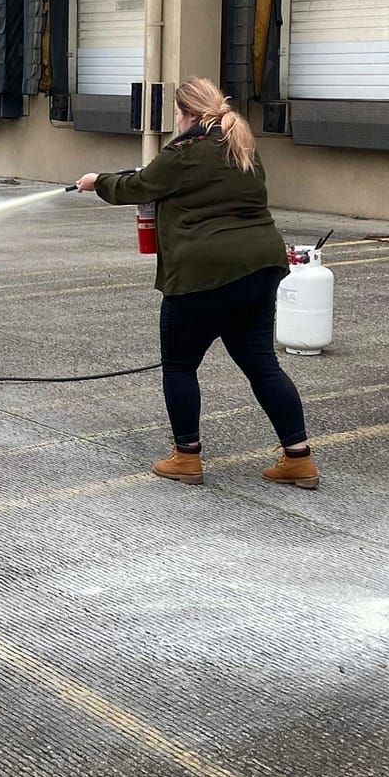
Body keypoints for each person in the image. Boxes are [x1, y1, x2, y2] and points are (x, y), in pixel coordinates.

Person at [75, 77, 316, 489]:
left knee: (180, 366)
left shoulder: (185, 151)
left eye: (176, 113)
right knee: (262, 365)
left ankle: (186, 457)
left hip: (204, 272)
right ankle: (299, 459)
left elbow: (138, 186)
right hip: (260, 266)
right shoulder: (241, 144)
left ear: (187, 113)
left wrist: (97, 181)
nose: (176, 120)